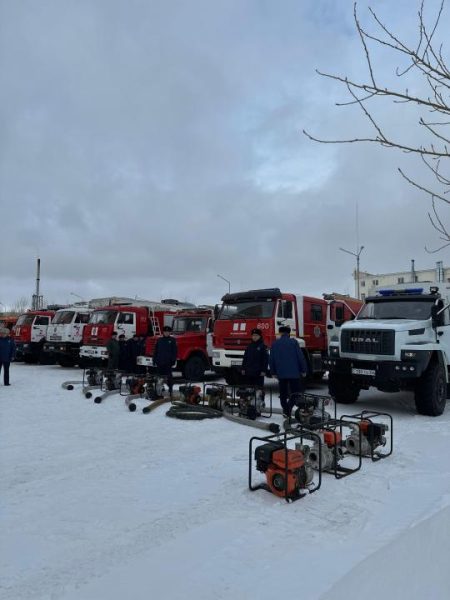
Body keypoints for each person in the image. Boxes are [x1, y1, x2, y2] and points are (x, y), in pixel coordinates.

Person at [269, 325, 308, 418]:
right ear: (289, 333)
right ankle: (288, 408)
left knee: (283, 393)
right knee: (296, 393)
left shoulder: (275, 344)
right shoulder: (294, 342)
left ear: (280, 333)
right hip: (294, 373)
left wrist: (273, 372)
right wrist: (303, 370)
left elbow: (271, 359)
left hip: (281, 373)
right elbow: (300, 357)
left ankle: (285, 409)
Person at [153, 325, 178, 394]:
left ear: (170, 333)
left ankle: (170, 389)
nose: (166, 333)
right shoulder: (159, 340)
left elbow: (174, 351)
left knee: (169, 377)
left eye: (168, 332)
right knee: (159, 377)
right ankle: (160, 388)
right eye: (165, 332)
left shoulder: (172, 340)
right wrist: (154, 360)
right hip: (160, 361)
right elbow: (156, 351)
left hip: (168, 362)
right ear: (163, 332)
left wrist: (173, 360)